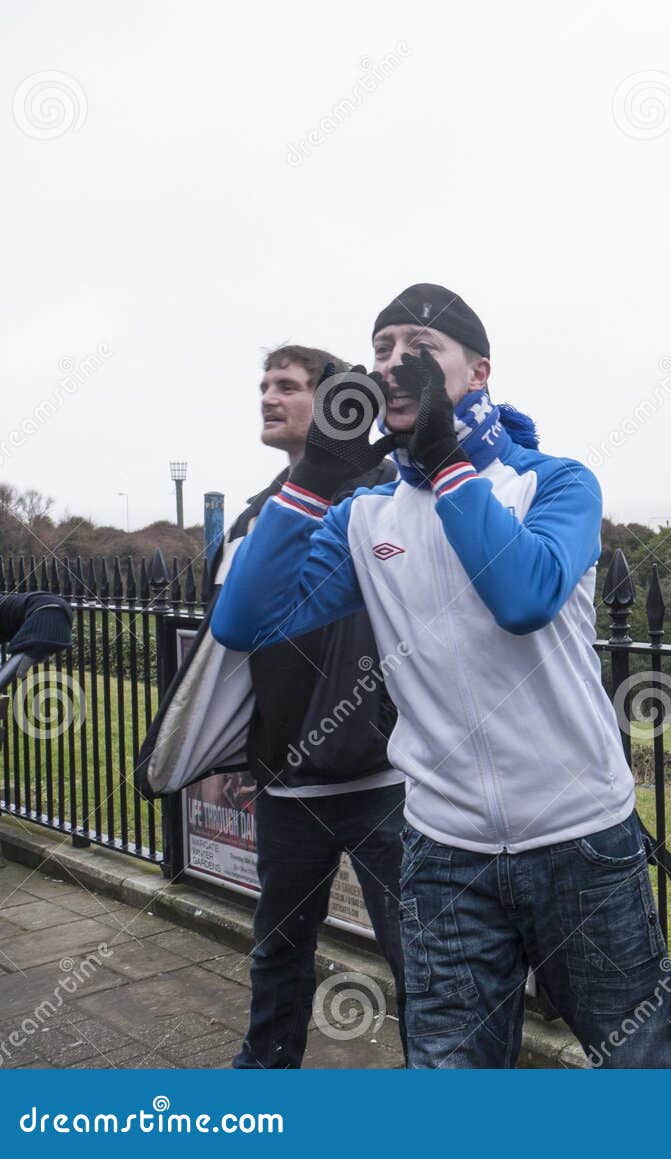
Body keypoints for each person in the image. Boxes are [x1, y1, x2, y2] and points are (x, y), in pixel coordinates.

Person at [211, 285, 671, 1069]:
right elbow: (243, 622)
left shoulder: (556, 482)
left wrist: (445, 462)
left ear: (478, 371)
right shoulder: (365, 515)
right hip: (442, 851)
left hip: (579, 838)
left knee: (646, 1064)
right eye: (381, 349)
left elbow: (524, 596)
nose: (395, 364)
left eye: (420, 347)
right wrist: (314, 479)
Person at [229, 345, 407, 1068]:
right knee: (278, 952)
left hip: (384, 779)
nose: (269, 397)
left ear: (337, 404)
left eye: (289, 386)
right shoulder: (262, 512)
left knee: (419, 959)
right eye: (264, 385)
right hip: (288, 781)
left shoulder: (389, 497)